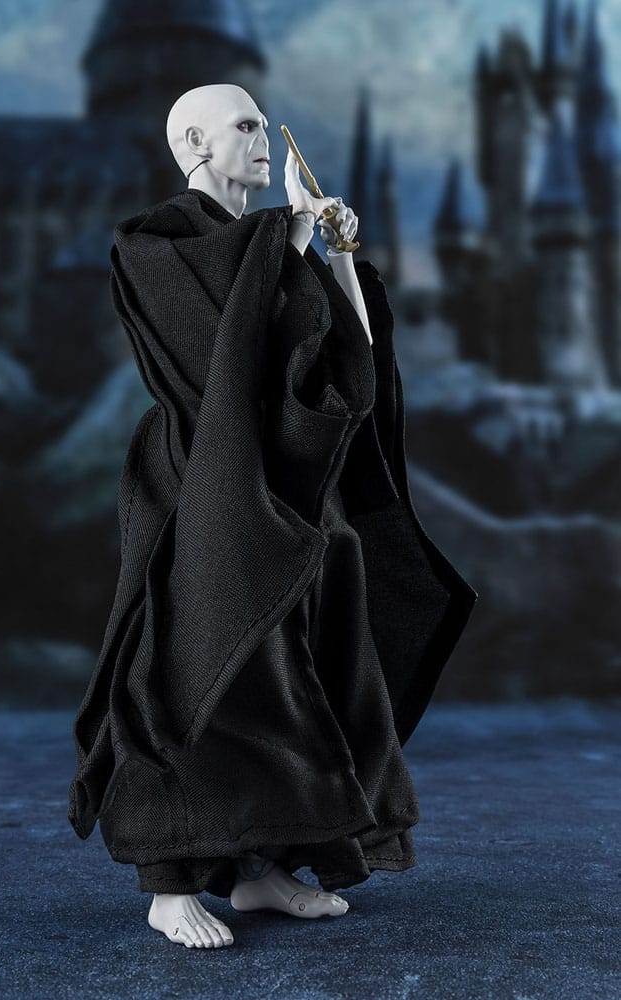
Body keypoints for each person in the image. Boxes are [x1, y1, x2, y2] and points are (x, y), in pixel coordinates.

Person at [68, 83, 477, 950]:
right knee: (190, 669)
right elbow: (225, 357)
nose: (264, 138)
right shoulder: (154, 244)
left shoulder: (271, 244)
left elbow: (349, 355)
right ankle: (169, 882)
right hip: (204, 482)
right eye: (245, 125)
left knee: (295, 679)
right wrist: (287, 237)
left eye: (261, 123)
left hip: (292, 488)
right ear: (194, 144)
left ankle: (259, 869)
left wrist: (336, 255)